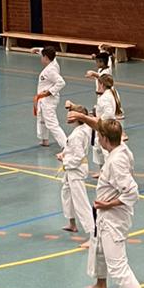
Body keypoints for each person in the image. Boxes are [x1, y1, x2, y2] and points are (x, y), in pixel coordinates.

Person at [69, 112, 144, 288]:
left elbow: (132, 192)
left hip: (113, 218)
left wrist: (109, 204)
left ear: (105, 140)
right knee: (98, 246)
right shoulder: (121, 148)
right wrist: (83, 117)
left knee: (118, 267)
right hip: (106, 216)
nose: (97, 138)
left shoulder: (116, 162)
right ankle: (101, 284)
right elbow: (101, 126)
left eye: (99, 136)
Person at [57, 104, 94, 243]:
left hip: (76, 169)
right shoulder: (84, 128)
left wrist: (64, 160)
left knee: (81, 202)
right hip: (72, 169)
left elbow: (78, 156)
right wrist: (64, 153)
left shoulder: (78, 134)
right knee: (66, 193)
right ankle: (72, 223)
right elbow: (72, 149)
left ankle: (93, 234)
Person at [32, 46, 67, 150]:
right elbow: (49, 52)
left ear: (46, 58)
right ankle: (44, 139)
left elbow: (61, 82)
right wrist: (38, 50)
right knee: (42, 119)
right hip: (43, 99)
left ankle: (66, 145)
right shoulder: (54, 62)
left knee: (51, 123)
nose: (41, 58)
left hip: (48, 99)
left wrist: (49, 92)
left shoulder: (50, 70)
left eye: (42, 56)